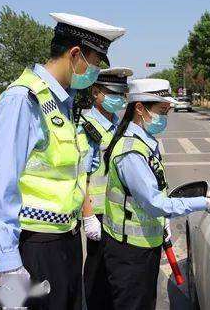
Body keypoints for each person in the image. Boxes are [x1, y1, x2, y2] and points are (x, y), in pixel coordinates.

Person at [0, 12, 125, 309]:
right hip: (36, 247)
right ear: (75, 55)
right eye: (95, 62)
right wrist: (9, 266)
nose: (95, 72)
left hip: (67, 241)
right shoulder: (24, 100)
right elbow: (2, 189)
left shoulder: (63, 103)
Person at [100, 78, 210, 310]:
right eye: (161, 111)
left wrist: (162, 222)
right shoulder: (131, 152)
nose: (164, 118)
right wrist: (203, 203)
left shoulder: (144, 142)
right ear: (140, 108)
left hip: (142, 244)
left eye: (167, 112)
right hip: (130, 252)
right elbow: (154, 202)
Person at [78, 67, 133, 310]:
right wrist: (88, 217)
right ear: (96, 92)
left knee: (116, 274)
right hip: (99, 214)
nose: (118, 99)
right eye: (113, 93)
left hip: (118, 211)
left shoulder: (118, 124)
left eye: (122, 94)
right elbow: (81, 176)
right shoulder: (87, 127)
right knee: (98, 275)